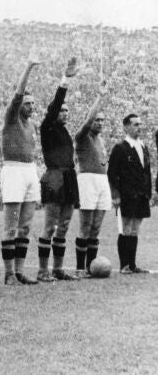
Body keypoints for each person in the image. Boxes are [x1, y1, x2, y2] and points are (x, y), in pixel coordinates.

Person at [37, 58, 80, 282]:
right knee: (51, 226)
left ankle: (58, 269)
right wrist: (65, 81)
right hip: (54, 176)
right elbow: (56, 105)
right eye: (61, 111)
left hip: (69, 177)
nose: (64, 113)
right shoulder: (47, 127)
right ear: (53, 113)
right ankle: (43, 271)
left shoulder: (64, 132)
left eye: (66, 111)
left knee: (63, 226)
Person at [1, 57, 40, 285]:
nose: (31, 107)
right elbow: (17, 94)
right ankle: (8, 274)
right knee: (11, 225)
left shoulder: (33, 125)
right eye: (27, 103)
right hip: (13, 171)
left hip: (29, 171)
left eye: (33, 104)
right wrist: (29, 68)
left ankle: (19, 270)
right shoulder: (11, 118)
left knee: (25, 227)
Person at [74, 80, 110, 277]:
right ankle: (80, 268)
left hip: (101, 182)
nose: (100, 123)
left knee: (96, 227)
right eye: (97, 119)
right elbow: (87, 121)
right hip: (87, 180)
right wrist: (100, 96)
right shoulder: (82, 136)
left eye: (102, 120)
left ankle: (91, 267)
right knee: (85, 226)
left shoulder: (101, 140)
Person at [108, 114, 151, 274]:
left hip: (141, 195)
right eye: (135, 124)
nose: (139, 127)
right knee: (125, 228)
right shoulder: (120, 148)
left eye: (140, 124)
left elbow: (146, 171)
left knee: (135, 230)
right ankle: (124, 265)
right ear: (126, 127)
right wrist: (115, 194)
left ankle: (132, 264)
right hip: (127, 195)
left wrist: (148, 191)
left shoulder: (143, 146)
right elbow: (112, 173)